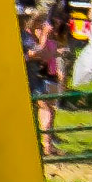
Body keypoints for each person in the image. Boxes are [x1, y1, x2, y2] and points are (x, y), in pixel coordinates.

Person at [25, 13, 64, 158]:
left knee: (50, 111)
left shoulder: (47, 39)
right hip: (39, 79)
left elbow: (50, 54)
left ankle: (48, 144)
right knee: (46, 110)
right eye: (42, 23)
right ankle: (46, 145)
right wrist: (45, 36)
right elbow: (37, 54)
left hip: (48, 77)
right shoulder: (29, 39)